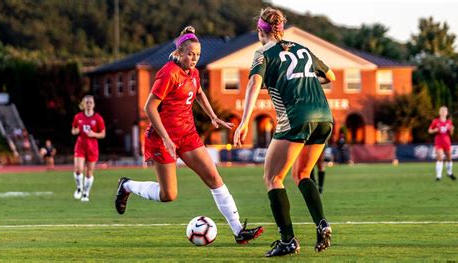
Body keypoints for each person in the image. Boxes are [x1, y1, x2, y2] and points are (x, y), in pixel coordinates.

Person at [114, 26, 263, 244]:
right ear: (180, 52)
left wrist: (212, 116)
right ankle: (126, 185)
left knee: (214, 178)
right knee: (169, 195)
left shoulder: (193, 72)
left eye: (198, 55)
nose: (194, 59)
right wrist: (166, 138)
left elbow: (199, 92)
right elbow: (149, 108)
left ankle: (239, 231)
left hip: (188, 135)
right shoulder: (168, 73)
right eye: (190, 54)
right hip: (161, 138)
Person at [233, 7, 335, 257]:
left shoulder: (263, 53)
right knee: (302, 174)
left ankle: (288, 240)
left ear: (260, 31)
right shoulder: (301, 48)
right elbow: (330, 76)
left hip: (297, 117)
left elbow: (254, 83)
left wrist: (245, 121)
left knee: (272, 178)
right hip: (324, 115)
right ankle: (322, 223)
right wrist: (305, 80)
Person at [71, 95, 106, 202]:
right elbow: (73, 130)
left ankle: (86, 193)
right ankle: (79, 188)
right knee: (78, 170)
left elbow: (103, 134)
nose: (89, 104)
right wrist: (75, 131)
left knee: (89, 172)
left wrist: (94, 134)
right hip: (80, 145)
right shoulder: (78, 117)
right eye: (87, 102)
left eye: (90, 102)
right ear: (83, 104)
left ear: (94, 104)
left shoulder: (98, 118)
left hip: (92, 147)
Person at [428, 106, 456, 181]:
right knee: (440, 157)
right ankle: (438, 176)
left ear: (447, 113)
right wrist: (434, 130)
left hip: (447, 142)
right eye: (442, 111)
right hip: (438, 142)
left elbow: (451, 133)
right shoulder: (435, 121)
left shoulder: (449, 122)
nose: (443, 112)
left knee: (449, 158)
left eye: (445, 111)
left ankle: (449, 173)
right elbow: (429, 130)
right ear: (439, 112)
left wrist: (452, 129)